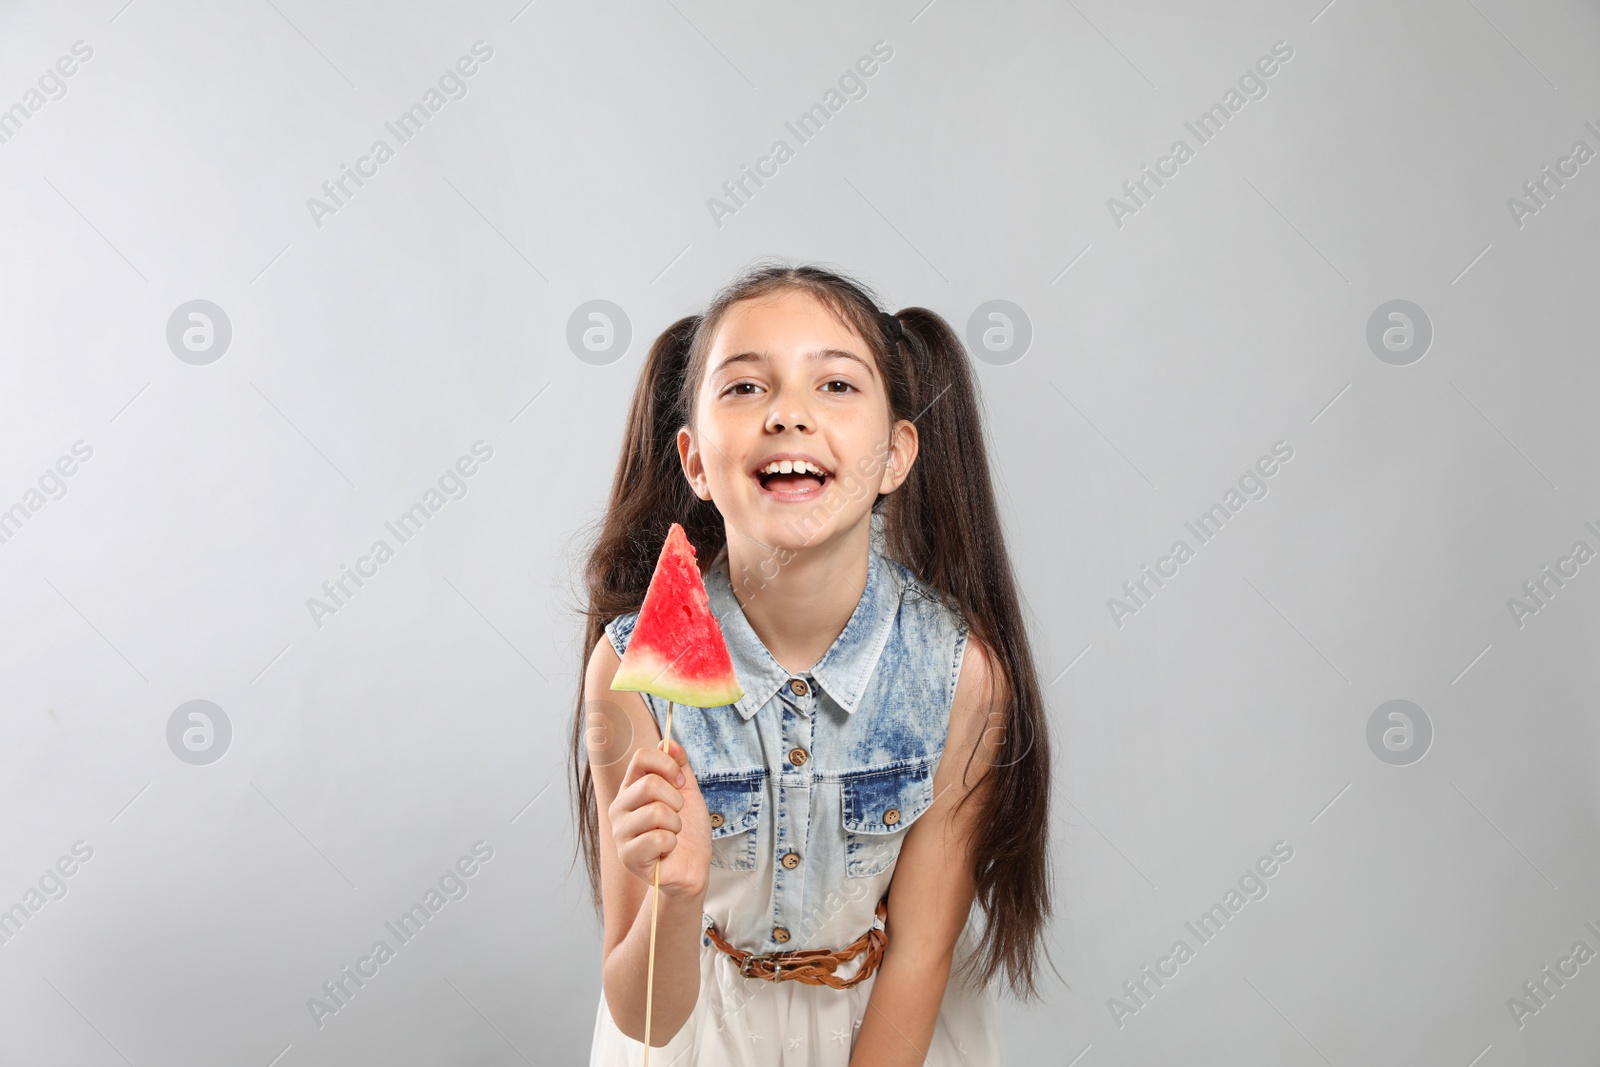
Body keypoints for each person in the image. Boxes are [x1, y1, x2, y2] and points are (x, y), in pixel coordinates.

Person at [569, 262, 1055, 1064]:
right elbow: (644, 1016)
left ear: (898, 453)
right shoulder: (631, 678)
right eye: (744, 387)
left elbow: (921, 952)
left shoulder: (958, 676)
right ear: (694, 461)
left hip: (886, 1032)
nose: (788, 414)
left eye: (834, 384)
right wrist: (679, 895)